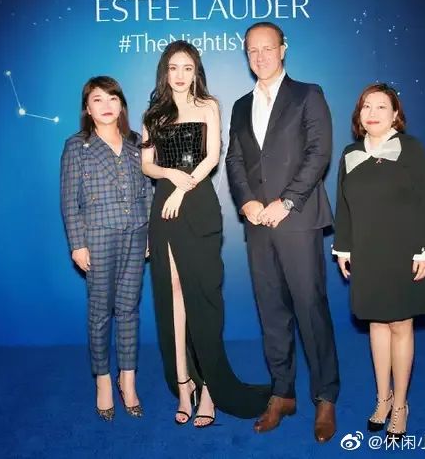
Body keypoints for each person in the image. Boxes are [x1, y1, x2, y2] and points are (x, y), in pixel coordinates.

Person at [142, 40, 271, 428]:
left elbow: (213, 156)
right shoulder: (153, 114)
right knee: (172, 295)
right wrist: (170, 175)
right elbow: (147, 165)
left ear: (196, 71)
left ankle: (211, 388)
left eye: (187, 68)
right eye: (173, 68)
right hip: (164, 207)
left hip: (196, 202)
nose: (180, 75)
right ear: (165, 73)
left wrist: (183, 187)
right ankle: (184, 385)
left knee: (203, 297)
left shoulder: (208, 106)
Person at [225, 22, 340, 443]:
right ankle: (282, 392)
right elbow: (234, 160)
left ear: (283, 49)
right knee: (271, 311)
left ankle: (325, 397)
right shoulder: (240, 105)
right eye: (252, 50)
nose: (260, 56)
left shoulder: (308, 94)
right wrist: (247, 202)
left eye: (267, 48)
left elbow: (319, 152)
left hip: (297, 219)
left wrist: (285, 201)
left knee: (310, 308)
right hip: (258, 224)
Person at [332, 83, 425, 440]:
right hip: (366, 252)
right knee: (376, 324)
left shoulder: (412, 149)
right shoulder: (350, 153)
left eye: (381, 106)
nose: (372, 112)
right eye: (366, 106)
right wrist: (343, 248)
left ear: (395, 115)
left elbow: (424, 203)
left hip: (403, 251)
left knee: (401, 325)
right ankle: (383, 398)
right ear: (358, 115)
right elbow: (343, 207)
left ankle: (401, 404)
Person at [60, 76, 150, 421]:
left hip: (136, 233)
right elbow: (69, 200)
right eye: (98, 99)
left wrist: (150, 234)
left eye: (113, 98)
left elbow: (148, 190)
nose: (106, 105)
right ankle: (102, 381)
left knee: (128, 310)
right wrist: (77, 244)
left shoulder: (136, 142)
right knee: (100, 312)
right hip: (97, 237)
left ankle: (128, 380)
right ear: (87, 108)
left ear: (121, 104)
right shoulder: (77, 146)